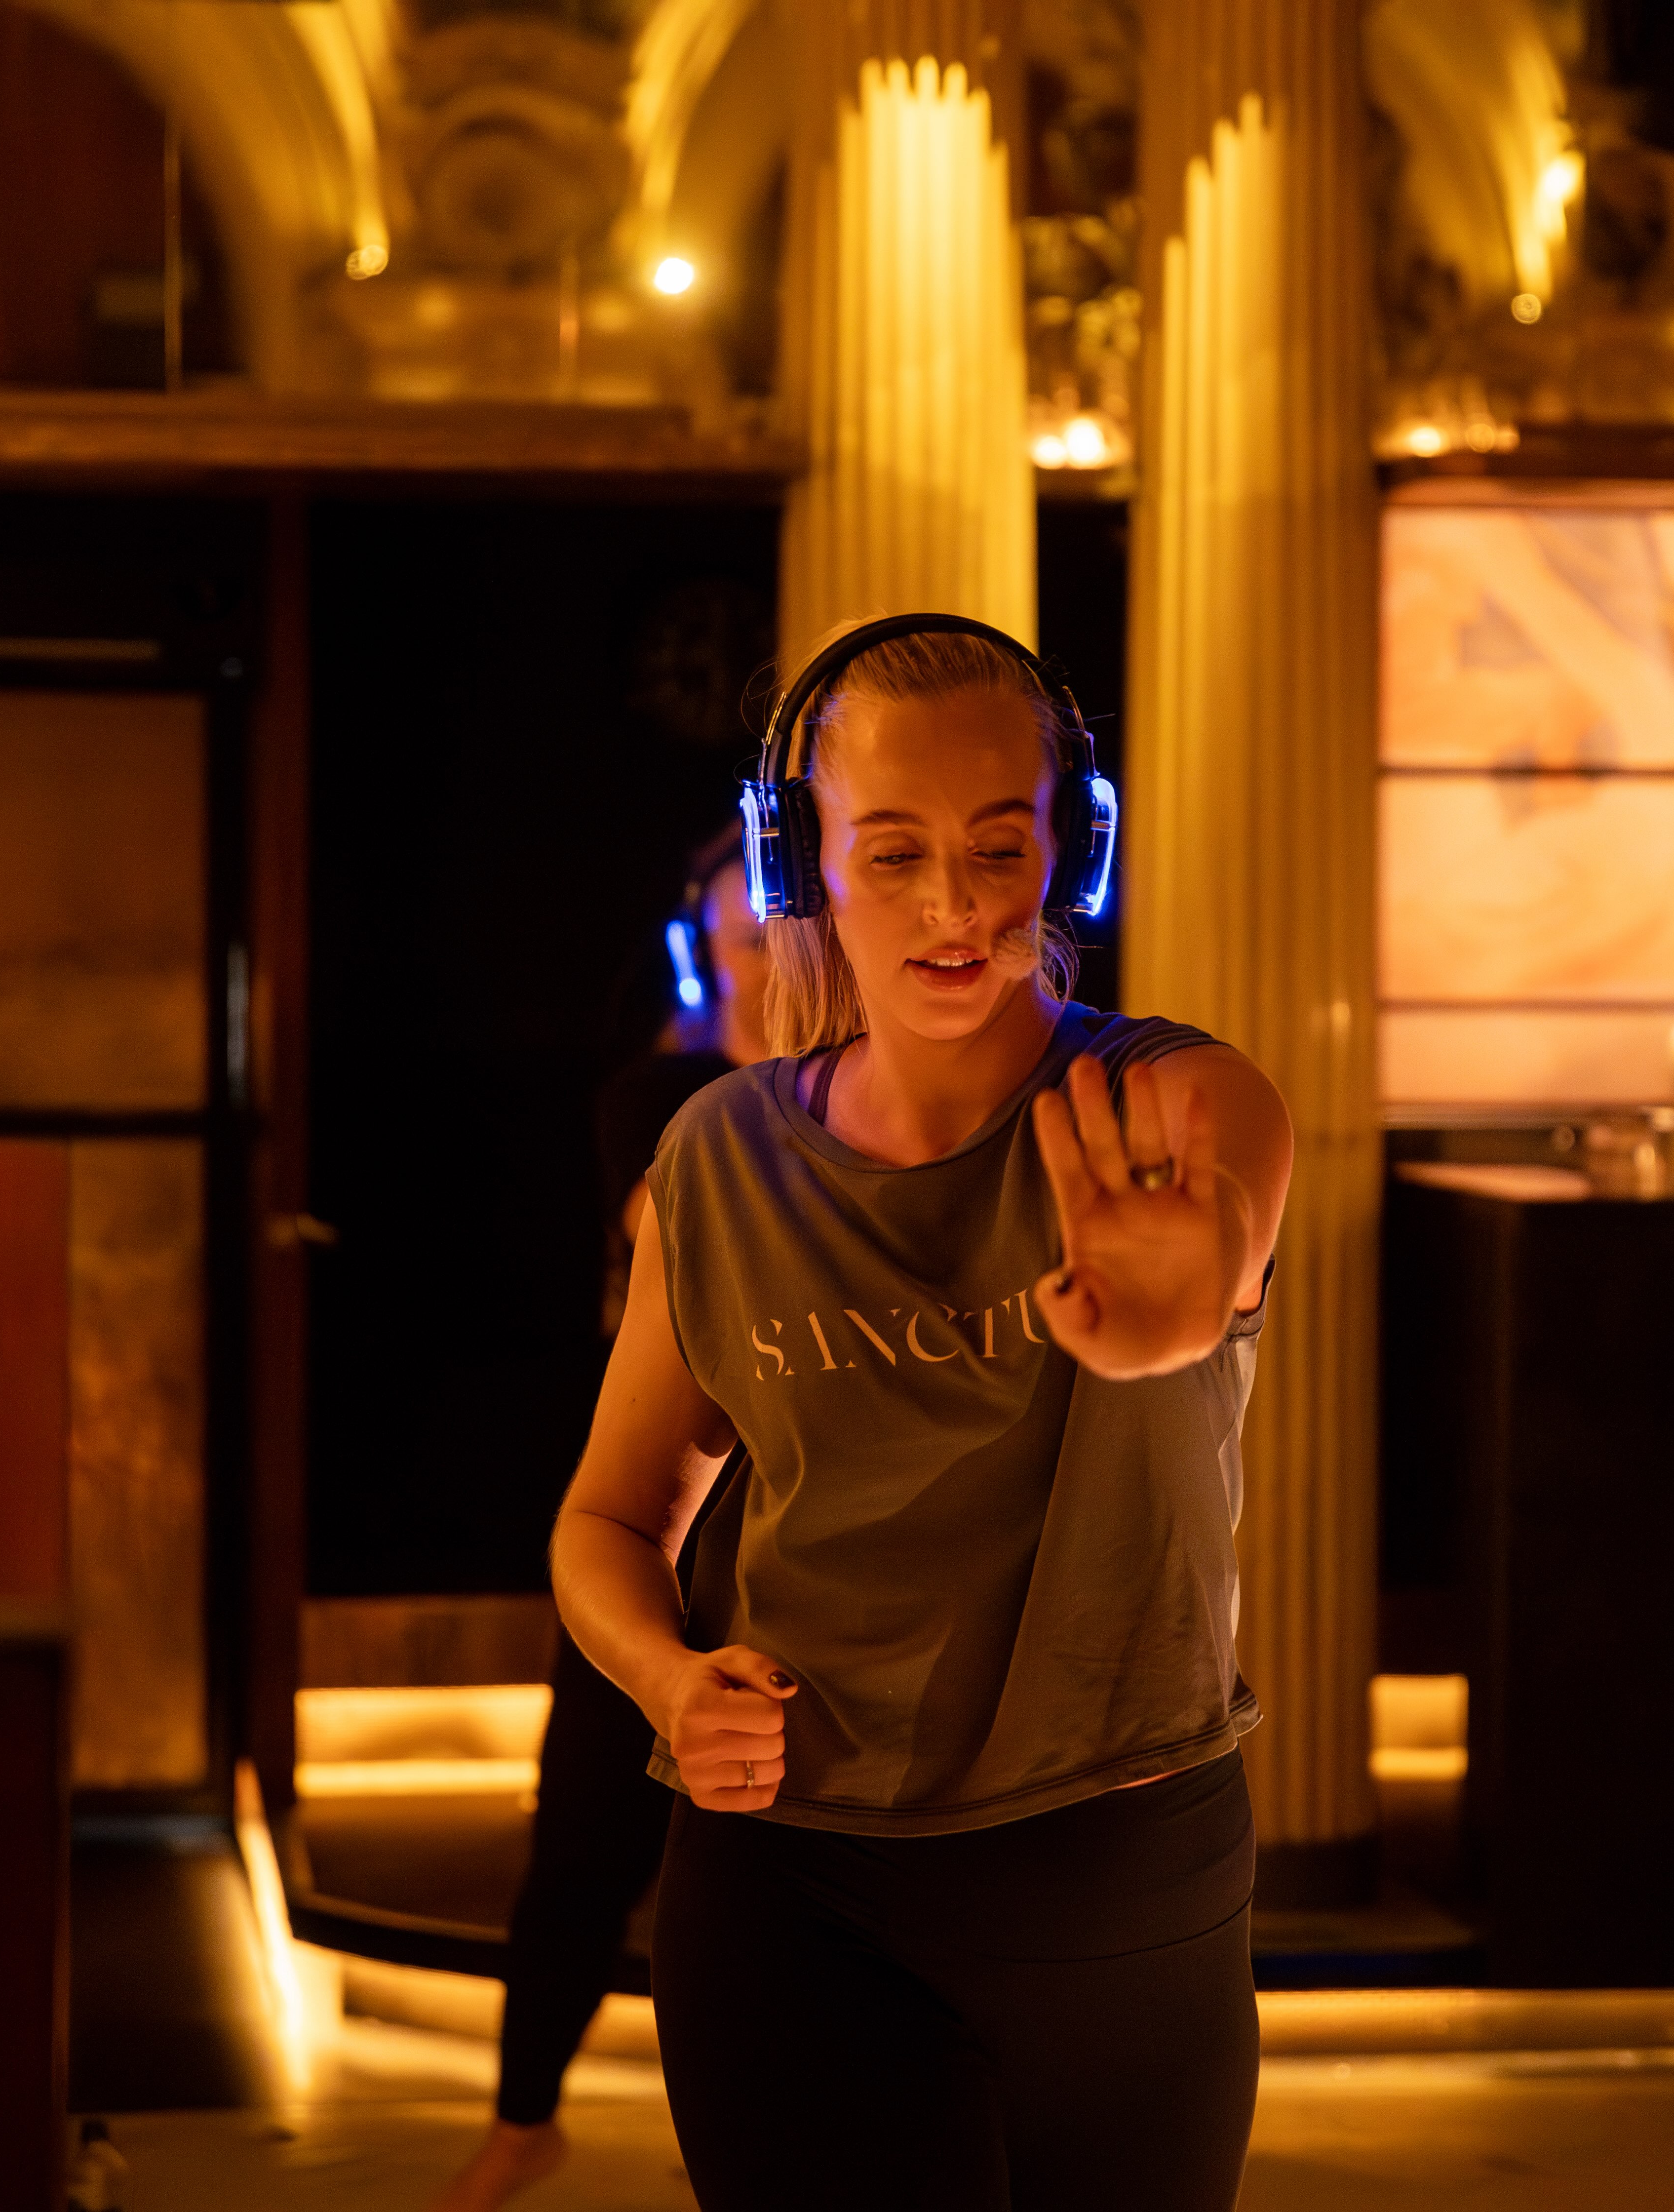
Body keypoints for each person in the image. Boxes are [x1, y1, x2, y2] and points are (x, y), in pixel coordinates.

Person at [551, 613, 1293, 2212]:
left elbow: (1221, 1235)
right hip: (790, 1886)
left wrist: (1183, 1308)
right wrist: (671, 1686)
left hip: (1117, 1872)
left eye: (998, 846)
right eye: (893, 853)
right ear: (800, 863)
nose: (955, 905)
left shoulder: (1180, 1103)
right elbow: (608, 1520)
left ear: (1072, 851)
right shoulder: (717, 1158)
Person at [436, 832, 770, 2211]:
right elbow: (675, 1222)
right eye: (749, 939)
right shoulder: (670, 1099)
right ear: (706, 954)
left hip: (793, 1547)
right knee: (581, 1839)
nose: (777, 962)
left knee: (762, 1874)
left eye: (794, 933)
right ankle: (524, 2120)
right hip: (656, 1528)